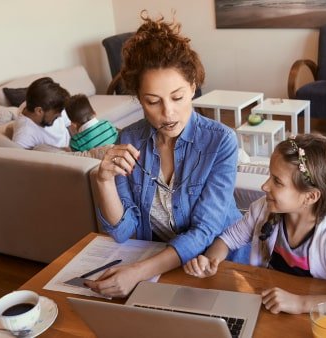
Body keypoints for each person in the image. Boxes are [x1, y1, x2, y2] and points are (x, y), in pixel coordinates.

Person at [84, 11, 242, 298]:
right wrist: (104, 181)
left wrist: (138, 272)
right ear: (138, 99)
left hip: (214, 266)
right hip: (157, 269)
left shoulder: (221, 142)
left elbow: (205, 232)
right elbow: (123, 232)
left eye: (178, 97)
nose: (167, 113)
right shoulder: (130, 139)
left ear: (193, 88)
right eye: (152, 101)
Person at [183, 134, 326, 317]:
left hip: (314, 319)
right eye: (269, 177)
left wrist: (300, 303)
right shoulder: (262, 210)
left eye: (277, 181)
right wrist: (210, 260)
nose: (264, 186)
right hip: (270, 307)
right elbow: (227, 239)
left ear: (310, 196)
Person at [12, 77, 72, 149]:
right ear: (39, 111)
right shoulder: (24, 135)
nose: (60, 115)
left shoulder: (45, 103)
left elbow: (69, 124)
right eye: (56, 113)